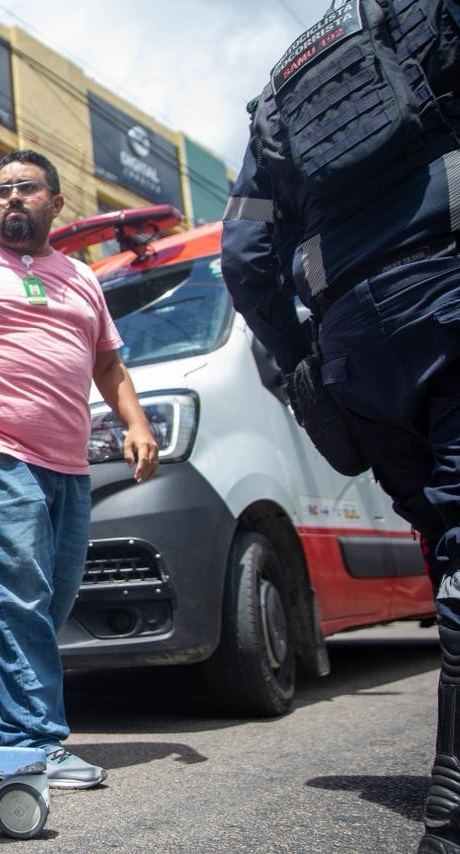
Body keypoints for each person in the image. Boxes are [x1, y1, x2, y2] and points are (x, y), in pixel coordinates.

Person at [219, 4, 460, 850]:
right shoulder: (429, 17)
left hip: (358, 345)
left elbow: (244, 260)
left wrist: (303, 363)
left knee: (445, 541)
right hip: (446, 291)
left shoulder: (279, 87)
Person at [0, 150, 158, 789]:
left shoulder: (81, 279)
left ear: (56, 202)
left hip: (68, 463)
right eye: (0, 191)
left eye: (25, 188)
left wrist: (136, 423)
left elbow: (109, 363)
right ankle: (32, 743)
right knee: (20, 596)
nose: (11, 199)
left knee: (49, 602)